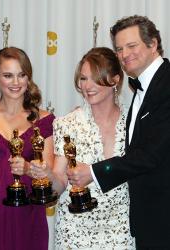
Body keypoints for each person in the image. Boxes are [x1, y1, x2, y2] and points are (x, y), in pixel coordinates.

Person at [67, 15, 170, 249]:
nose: (124, 54)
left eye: (131, 46)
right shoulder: (143, 90)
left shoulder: (166, 86)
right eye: (119, 48)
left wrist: (93, 172)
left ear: (153, 44)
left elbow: (149, 155)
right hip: (149, 221)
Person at [32, 47, 135, 249]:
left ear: (115, 80)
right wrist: (47, 176)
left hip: (121, 228)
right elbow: (60, 183)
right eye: (83, 78)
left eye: (95, 77)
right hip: (75, 231)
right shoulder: (67, 123)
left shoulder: (133, 123)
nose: (87, 86)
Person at [0, 47, 55, 250]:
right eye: (8, 75)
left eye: (21, 75)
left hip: (28, 214)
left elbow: (48, 173)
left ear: (28, 78)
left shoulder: (44, 120)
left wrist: (28, 169)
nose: (16, 83)